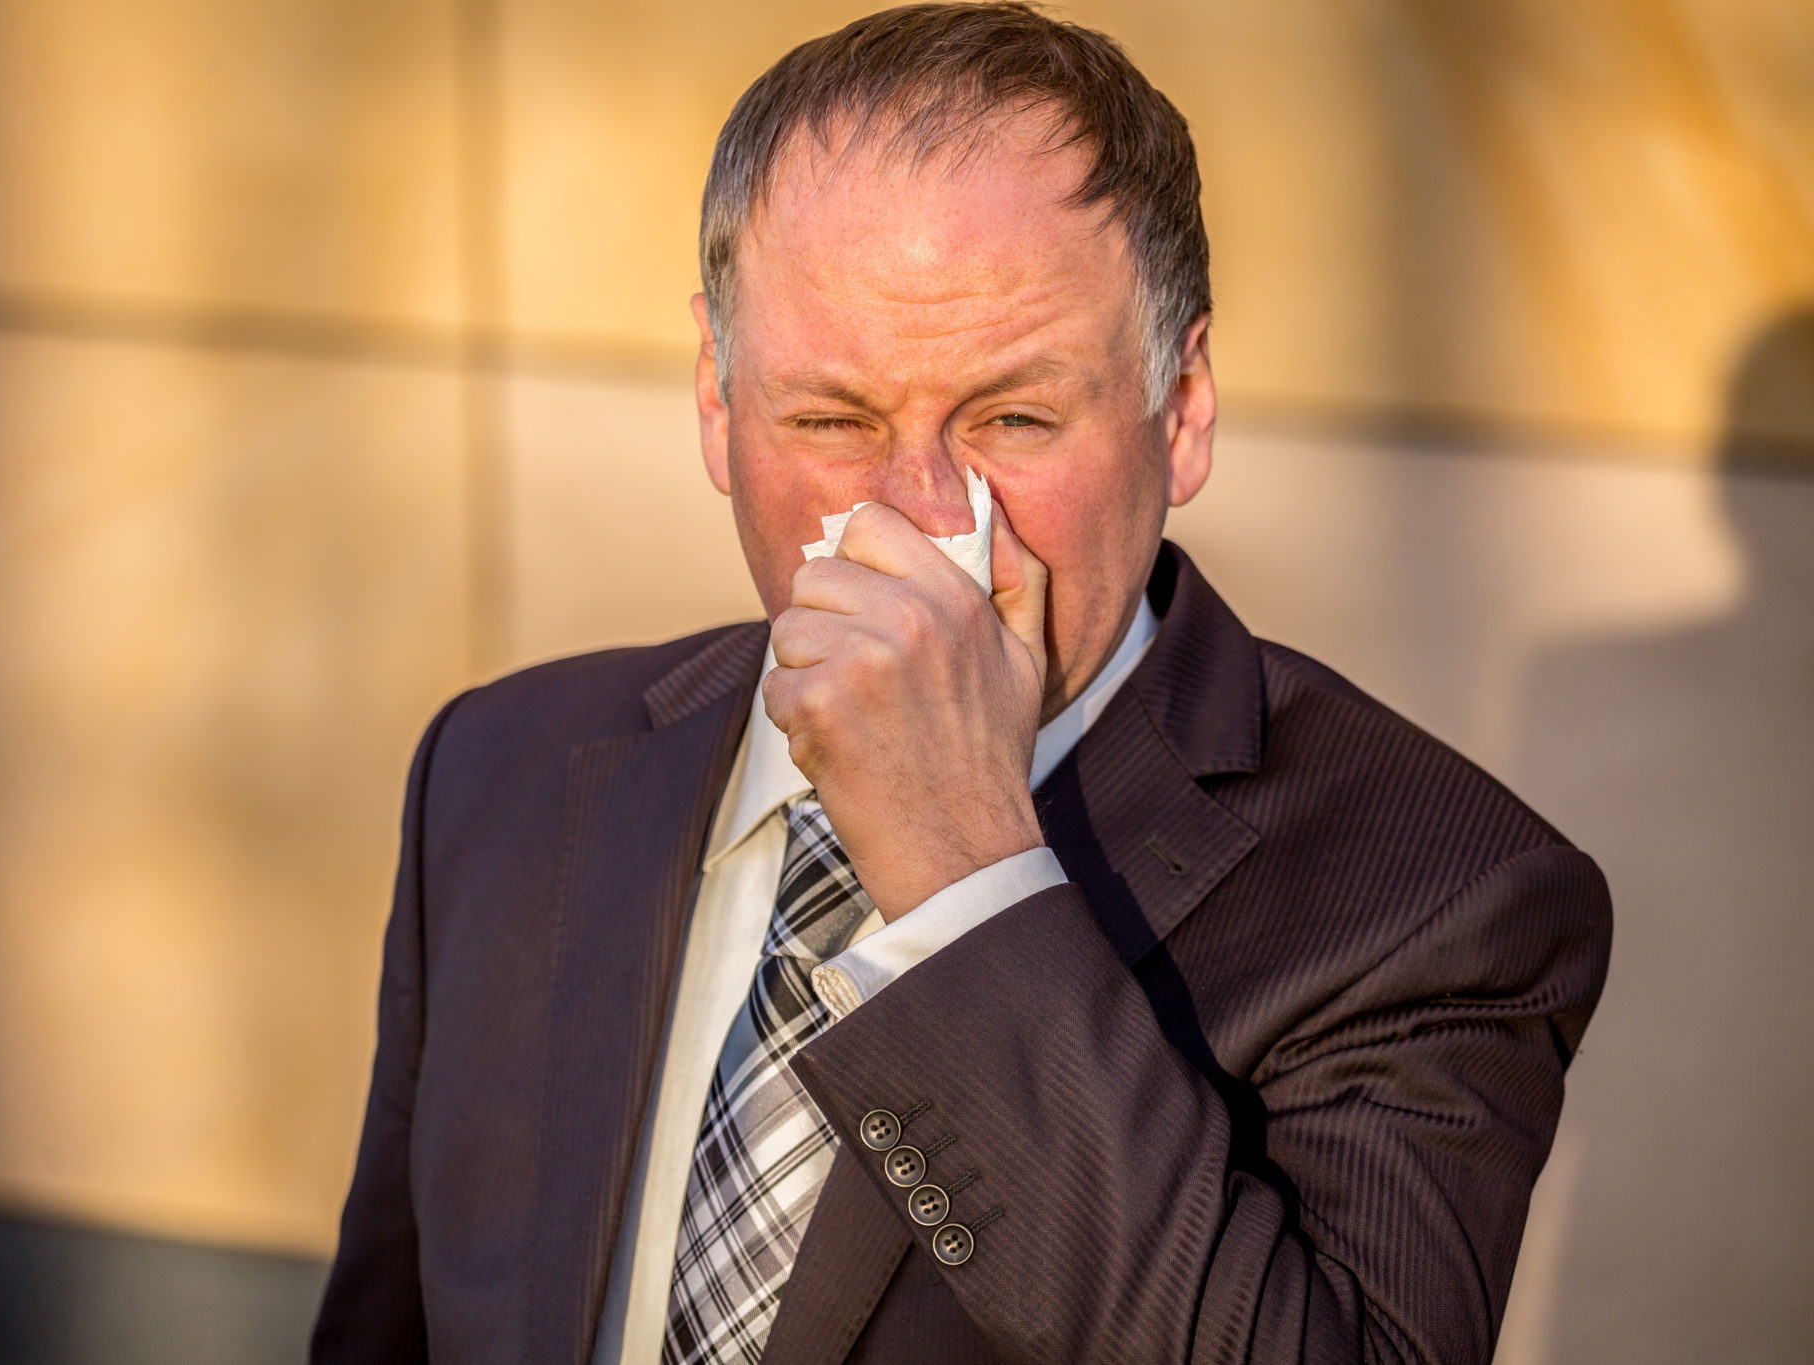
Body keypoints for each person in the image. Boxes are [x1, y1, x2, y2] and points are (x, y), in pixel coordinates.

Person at [311, 5, 1612, 1363]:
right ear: (714, 396)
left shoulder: (1437, 900)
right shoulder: (501, 768)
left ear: (1182, 407)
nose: (927, 519)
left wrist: (961, 872)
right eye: (829, 419)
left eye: (1014, 419)